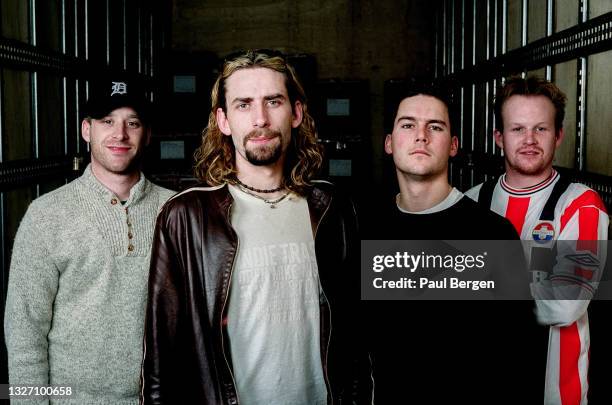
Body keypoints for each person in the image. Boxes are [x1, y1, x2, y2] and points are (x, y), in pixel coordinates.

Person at [141, 49, 372, 404]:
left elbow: (356, 337)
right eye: (244, 104)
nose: (260, 118)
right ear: (223, 120)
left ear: (295, 113)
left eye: (273, 101)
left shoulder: (332, 209)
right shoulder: (186, 217)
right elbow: (161, 358)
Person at [364, 81, 543, 403]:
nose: (421, 135)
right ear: (389, 142)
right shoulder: (369, 229)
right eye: (408, 125)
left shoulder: (491, 233)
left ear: (453, 145)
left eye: (435, 126)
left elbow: (521, 358)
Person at [4, 75, 175, 403]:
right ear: (87, 130)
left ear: (148, 134)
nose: (120, 134)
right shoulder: (45, 216)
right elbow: (25, 334)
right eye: (107, 121)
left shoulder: (176, 210)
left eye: (133, 122)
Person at [466, 76, 609, 405]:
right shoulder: (472, 202)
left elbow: (565, 303)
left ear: (558, 135)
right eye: (517, 129)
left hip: (554, 394)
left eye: (540, 129)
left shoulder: (581, 205)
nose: (529, 140)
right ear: (498, 137)